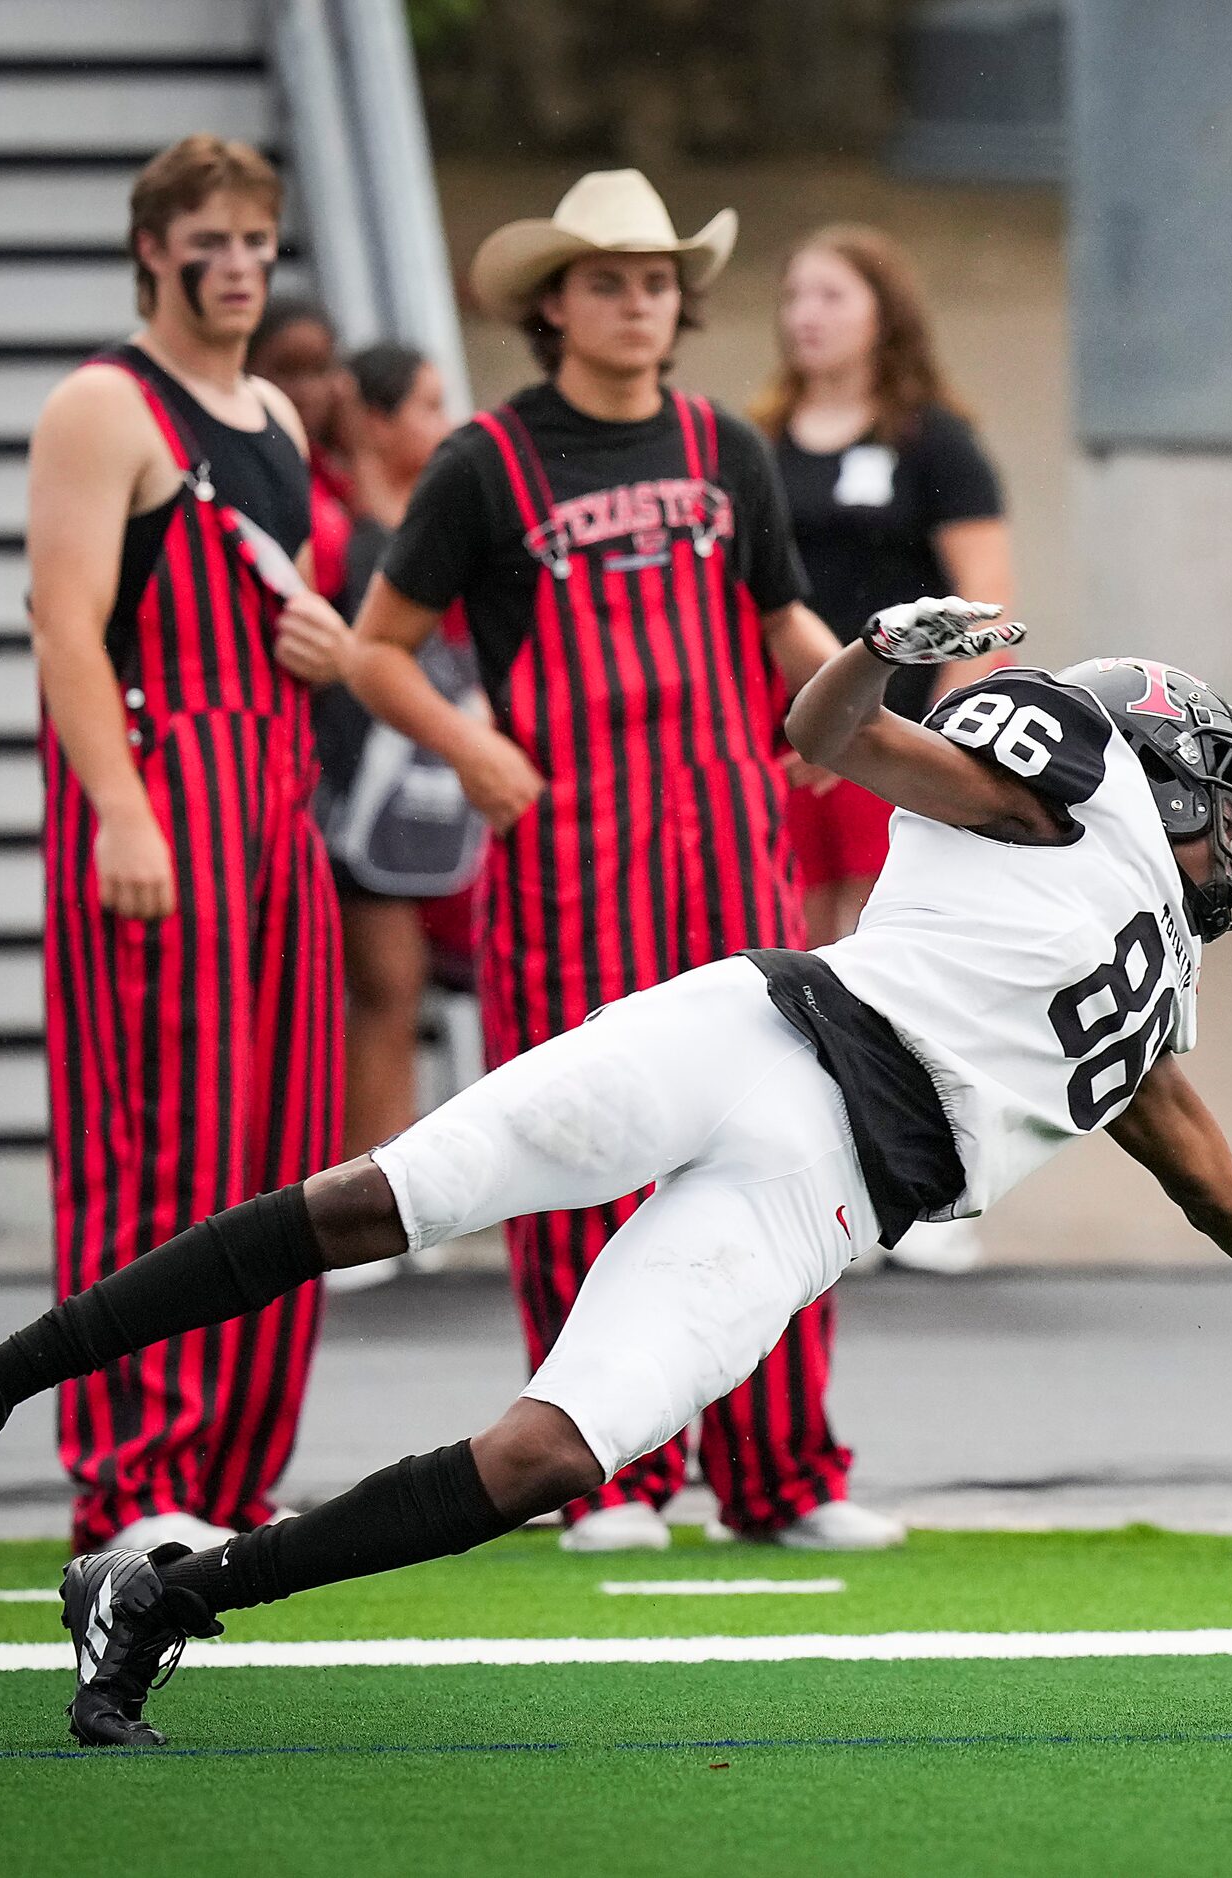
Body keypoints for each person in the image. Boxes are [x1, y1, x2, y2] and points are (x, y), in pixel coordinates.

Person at [0, 607, 1232, 1751]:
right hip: (752, 1033)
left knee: (545, 1456)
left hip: (824, 1201)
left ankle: (163, 1590)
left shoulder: (1153, 972)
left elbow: (1194, 1158)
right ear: (1145, 768)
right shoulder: (1048, 800)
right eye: (1216, 805)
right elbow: (829, 740)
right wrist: (877, 652)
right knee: (379, 1195)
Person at [338, 171, 885, 1555]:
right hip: (566, 870)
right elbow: (372, 643)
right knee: (576, 1160)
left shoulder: (723, 446)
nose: (636, 302)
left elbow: (782, 621)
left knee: (779, 1152)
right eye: (605, 281)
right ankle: (604, 1477)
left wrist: (865, 710)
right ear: (550, 304)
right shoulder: (482, 461)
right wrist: (466, 746)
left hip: (724, 859)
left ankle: (782, 1478)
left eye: (654, 281)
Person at [9, 137, 355, 1554]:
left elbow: (287, 611)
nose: (235, 267)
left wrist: (326, 648)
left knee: (284, 1147)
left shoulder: (270, 407)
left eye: (257, 243)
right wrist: (122, 807)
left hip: (276, 795)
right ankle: (129, 1469)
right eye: (208, 241)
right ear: (152, 248)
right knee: (158, 1144)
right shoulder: (103, 404)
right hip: (166, 779)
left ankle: (230, 1470)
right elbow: (64, 624)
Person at [751, 224, 1014, 1275]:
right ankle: (828, 1187)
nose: (806, 313)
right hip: (778, 752)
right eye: (794, 295)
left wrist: (937, 756)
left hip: (889, 745)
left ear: (882, 314)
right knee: (794, 963)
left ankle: (933, 1186)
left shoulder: (933, 442)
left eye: (832, 294)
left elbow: (987, 619)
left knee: (891, 962)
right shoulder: (756, 445)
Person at [311, 341, 486, 1176]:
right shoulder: (340, 517)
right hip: (354, 776)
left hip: (421, 779)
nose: (445, 424)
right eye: (425, 405)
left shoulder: (422, 507)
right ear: (373, 421)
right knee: (385, 979)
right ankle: (362, 1176)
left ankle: (386, 1169)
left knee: (403, 980)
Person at [246, 297, 354, 607]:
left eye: (319, 370)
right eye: (287, 371)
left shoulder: (330, 472)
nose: (307, 392)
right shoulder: (250, 477)